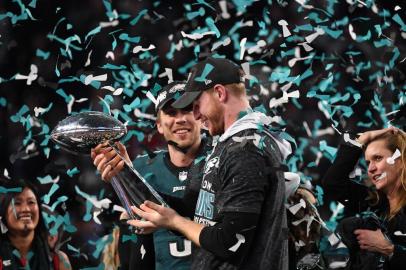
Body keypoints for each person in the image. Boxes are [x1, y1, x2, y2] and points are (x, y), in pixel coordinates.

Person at [127, 57, 292, 269]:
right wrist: (123, 169)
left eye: (196, 105)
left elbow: (231, 242)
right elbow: (192, 208)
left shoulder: (247, 150)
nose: (195, 115)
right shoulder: (230, 144)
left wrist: (175, 221)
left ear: (220, 93)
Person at [91, 81, 211, 269]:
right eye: (171, 113)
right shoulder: (140, 169)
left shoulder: (221, 160)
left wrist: (128, 175)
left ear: (199, 116)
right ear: (159, 125)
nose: (180, 119)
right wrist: (121, 172)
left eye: (187, 110)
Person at [322, 127, 406, 269]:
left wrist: (389, 249)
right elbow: (332, 183)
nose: (371, 169)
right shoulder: (371, 202)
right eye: (368, 162)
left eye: (378, 158)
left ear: (400, 160)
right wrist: (363, 139)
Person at [0, 178, 71, 270]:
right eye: (17, 203)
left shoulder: (59, 260)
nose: (26, 209)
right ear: (4, 211)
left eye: (31, 202)